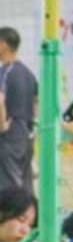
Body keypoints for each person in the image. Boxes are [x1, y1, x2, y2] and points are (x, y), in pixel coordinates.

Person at [0, 27, 35, 195]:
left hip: (10, 134)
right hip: (26, 133)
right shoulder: (28, 73)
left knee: (9, 186)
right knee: (25, 185)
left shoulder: (5, 72)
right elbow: (37, 101)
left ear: (3, 45)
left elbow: (0, 100)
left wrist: (2, 126)